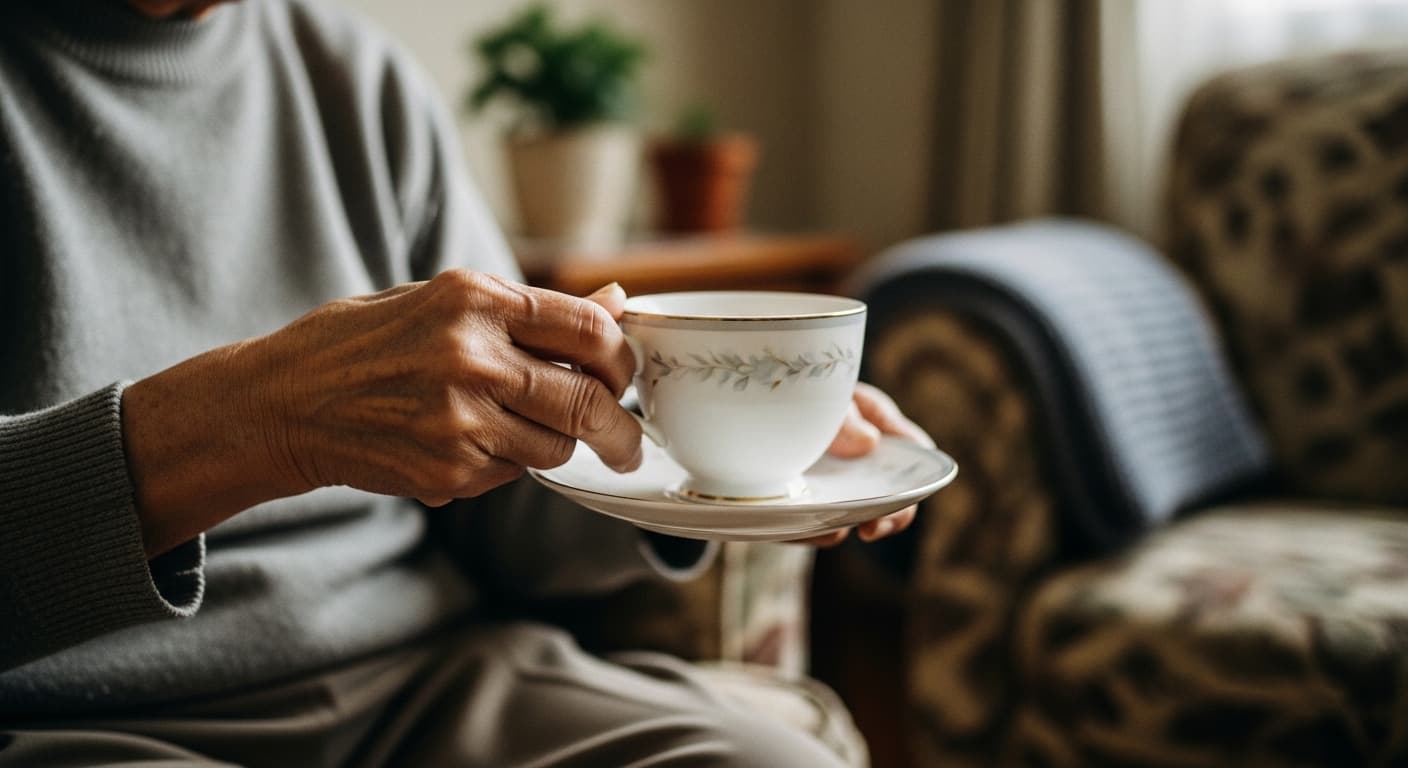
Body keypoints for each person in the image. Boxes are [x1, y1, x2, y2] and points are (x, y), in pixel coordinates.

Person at [0, 0, 932, 765]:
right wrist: (257, 418)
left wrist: (708, 440)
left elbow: (512, 529)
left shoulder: (359, 82)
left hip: (426, 685)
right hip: (84, 722)